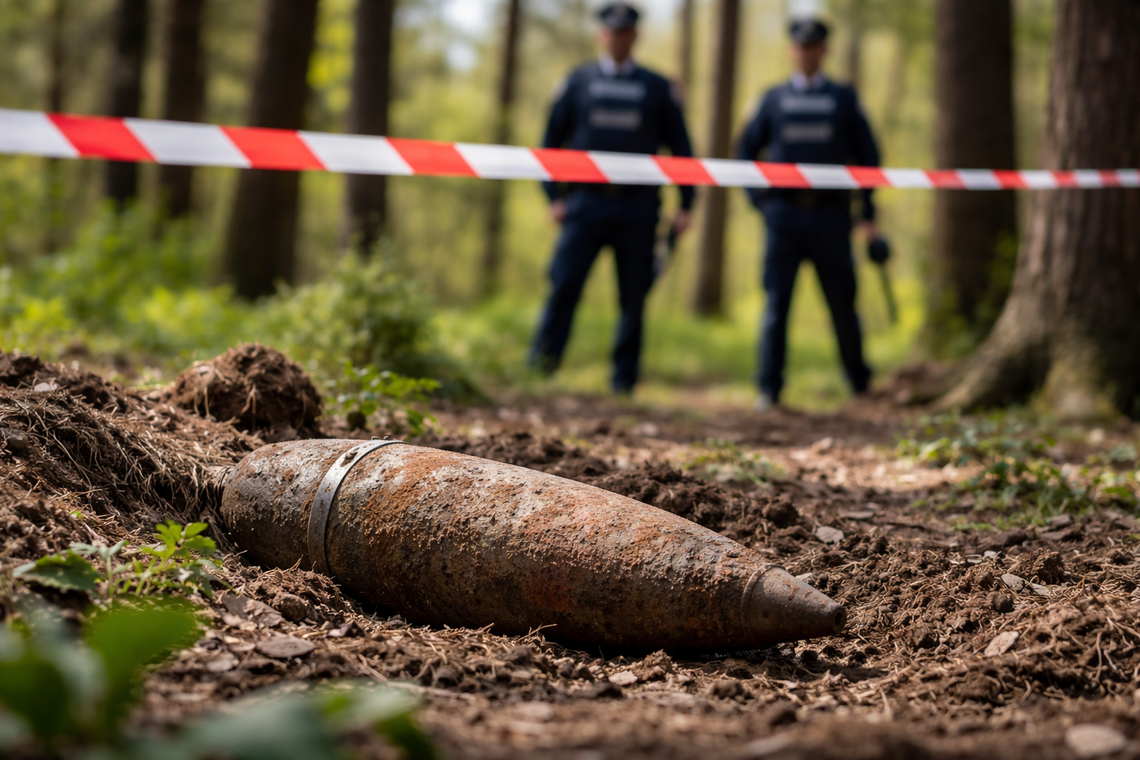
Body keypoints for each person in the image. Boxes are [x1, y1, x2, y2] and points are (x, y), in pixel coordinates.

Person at [529, 2, 696, 395]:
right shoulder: (577, 82)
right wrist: (553, 196)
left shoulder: (657, 87)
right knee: (563, 286)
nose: (618, 37)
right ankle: (539, 370)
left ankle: (624, 382)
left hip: (638, 209)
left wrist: (687, 205)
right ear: (600, 34)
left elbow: (682, 149)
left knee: (634, 298)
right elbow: (549, 145)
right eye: (612, 31)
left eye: (626, 31)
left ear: (635, 36)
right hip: (584, 205)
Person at [736, 17, 882, 411]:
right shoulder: (772, 99)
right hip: (782, 217)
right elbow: (743, 155)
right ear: (791, 50)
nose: (807, 51)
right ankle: (769, 389)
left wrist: (867, 214)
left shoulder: (844, 99)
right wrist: (760, 202)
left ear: (824, 49)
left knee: (842, 303)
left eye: (814, 45)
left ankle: (860, 386)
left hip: (832, 219)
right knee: (776, 305)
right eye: (801, 45)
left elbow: (869, 159)